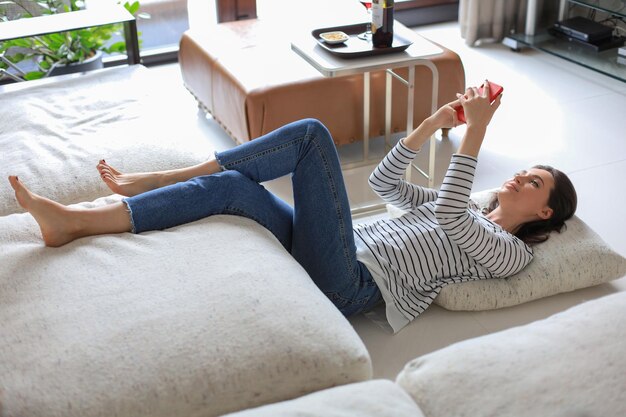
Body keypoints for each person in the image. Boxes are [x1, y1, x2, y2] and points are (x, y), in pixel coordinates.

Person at [9, 81, 577, 332]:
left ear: (545, 213)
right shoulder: (469, 212)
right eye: (526, 171)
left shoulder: (507, 253)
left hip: (349, 282)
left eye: (535, 183)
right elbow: (384, 181)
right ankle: (74, 222)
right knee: (231, 190)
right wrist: (433, 124)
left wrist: (474, 135)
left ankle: (161, 176)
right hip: (333, 246)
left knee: (309, 134)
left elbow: (452, 213)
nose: (522, 176)